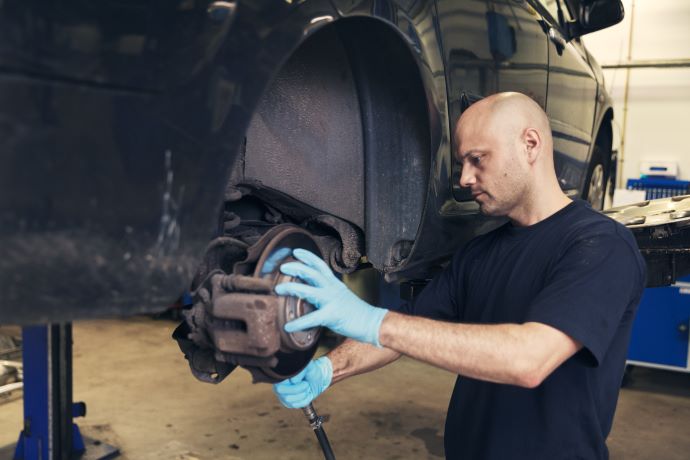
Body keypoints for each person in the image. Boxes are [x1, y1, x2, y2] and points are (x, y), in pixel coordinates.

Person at [272, 92, 646, 459]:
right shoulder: (479, 252)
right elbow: (407, 330)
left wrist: (373, 320)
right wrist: (327, 368)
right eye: (462, 164)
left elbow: (528, 360)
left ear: (530, 144)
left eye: (477, 159)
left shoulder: (600, 245)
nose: (465, 178)